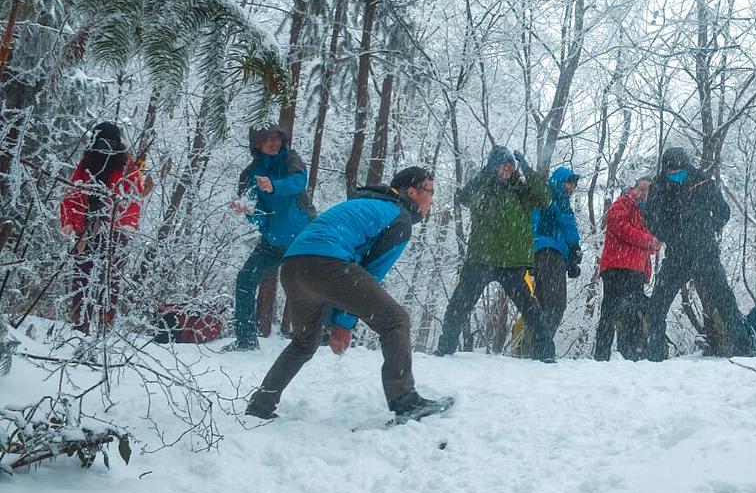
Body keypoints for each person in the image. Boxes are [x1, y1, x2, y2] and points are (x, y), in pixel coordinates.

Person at [246, 167, 450, 422]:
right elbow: (371, 272)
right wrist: (343, 323)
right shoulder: (399, 218)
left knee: (303, 342)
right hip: (327, 263)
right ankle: (405, 401)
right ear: (412, 192)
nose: (432, 200)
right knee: (395, 320)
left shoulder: (367, 203)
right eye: (430, 191)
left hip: (293, 266)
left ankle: (261, 404)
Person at [436, 147, 556, 361]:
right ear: (493, 166)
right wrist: (489, 173)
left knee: (529, 307)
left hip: (513, 261)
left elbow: (545, 198)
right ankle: (445, 347)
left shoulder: (520, 191)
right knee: (460, 302)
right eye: (503, 164)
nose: (508, 168)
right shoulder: (483, 187)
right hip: (481, 257)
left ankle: (546, 352)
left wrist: (527, 170)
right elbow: (467, 197)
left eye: (511, 164)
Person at [644, 147, 749, 361]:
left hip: (705, 252)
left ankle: (744, 350)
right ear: (665, 170)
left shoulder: (703, 182)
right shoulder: (658, 188)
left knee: (724, 300)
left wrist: (707, 227)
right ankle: (654, 355)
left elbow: (723, 211)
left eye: (679, 172)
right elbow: (651, 219)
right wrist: (669, 234)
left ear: (687, 167)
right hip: (677, 255)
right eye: (671, 173)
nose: (676, 176)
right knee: (658, 303)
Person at [223, 124, 316, 352]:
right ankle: (246, 341)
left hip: (302, 239)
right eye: (268, 139)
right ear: (257, 144)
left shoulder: (290, 159)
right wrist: (247, 211)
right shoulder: (250, 174)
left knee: (311, 286)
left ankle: (321, 338)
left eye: (277, 138)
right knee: (245, 281)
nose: (275, 143)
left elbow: (299, 182)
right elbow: (257, 212)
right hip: (272, 242)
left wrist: (275, 185)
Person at [59, 122, 146, 335]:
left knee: (111, 279)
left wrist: (127, 224)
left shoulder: (126, 166)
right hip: (87, 230)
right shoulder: (87, 163)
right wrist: (70, 221)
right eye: (102, 142)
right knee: (82, 276)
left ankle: (105, 326)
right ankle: (80, 325)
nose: (106, 147)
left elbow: (134, 196)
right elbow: (73, 193)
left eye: (110, 143)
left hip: (116, 230)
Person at [594, 176, 661, 361]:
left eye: (649, 190)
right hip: (618, 266)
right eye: (642, 188)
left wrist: (653, 242)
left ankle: (629, 355)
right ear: (634, 188)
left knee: (631, 313)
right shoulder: (622, 203)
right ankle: (602, 356)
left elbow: (654, 246)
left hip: (637, 269)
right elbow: (622, 228)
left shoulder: (648, 213)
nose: (645, 193)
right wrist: (649, 240)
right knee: (611, 311)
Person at [532, 166, 583, 338]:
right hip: (548, 252)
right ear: (560, 181)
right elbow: (563, 226)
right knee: (556, 304)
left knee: (542, 304)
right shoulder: (549, 198)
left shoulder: (561, 202)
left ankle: (534, 343)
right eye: (569, 183)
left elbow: (566, 232)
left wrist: (571, 258)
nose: (572, 188)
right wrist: (573, 247)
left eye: (574, 185)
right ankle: (542, 344)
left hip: (549, 254)